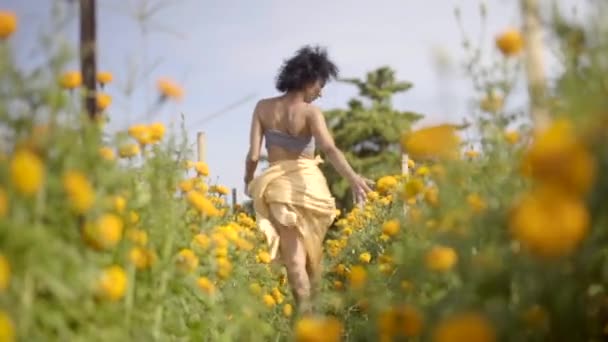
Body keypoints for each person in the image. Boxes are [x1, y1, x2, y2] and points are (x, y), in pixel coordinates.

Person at [244, 45, 372, 315]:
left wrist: (248, 180)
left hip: (280, 188)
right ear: (308, 80)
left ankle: (307, 321)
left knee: (295, 261)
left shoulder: (262, 108)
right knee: (311, 257)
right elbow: (330, 149)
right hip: (310, 187)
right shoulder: (312, 114)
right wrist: (352, 178)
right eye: (320, 85)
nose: (321, 92)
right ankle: (313, 318)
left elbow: (254, 155)